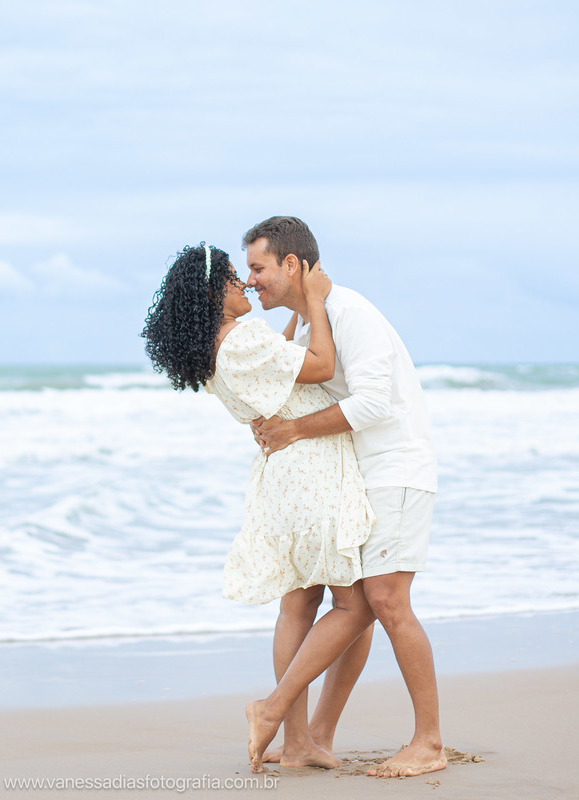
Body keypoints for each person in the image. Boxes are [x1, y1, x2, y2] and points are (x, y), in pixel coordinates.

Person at [141, 243, 376, 770]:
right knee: (356, 606)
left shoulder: (214, 350)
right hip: (312, 470)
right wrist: (312, 300)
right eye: (232, 278)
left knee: (298, 605)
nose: (245, 284)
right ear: (211, 293)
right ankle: (271, 711)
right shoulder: (242, 338)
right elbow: (319, 366)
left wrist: (291, 322)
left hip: (283, 480)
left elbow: (280, 373)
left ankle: (298, 744)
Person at [245, 215, 445, 778]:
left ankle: (428, 743)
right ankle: (317, 736)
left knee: (385, 601)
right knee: (355, 604)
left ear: (292, 264)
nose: (251, 280)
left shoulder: (350, 313)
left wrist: (293, 432)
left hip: (394, 471)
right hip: (358, 478)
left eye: (258, 268)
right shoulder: (313, 324)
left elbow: (375, 404)